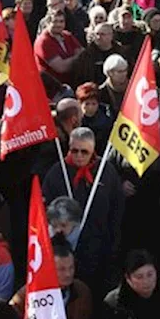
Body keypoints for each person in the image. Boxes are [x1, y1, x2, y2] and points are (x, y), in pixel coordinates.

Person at [41, 127, 124, 296]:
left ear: (93, 150)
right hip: (65, 249)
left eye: (84, 152)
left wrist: (113, 242)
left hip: (98, 247)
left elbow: (117, 208)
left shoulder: (106, 171)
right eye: (74, 151)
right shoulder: (57, 173)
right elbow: (45, 209)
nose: (79, 156)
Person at [12, 236, 93, 319]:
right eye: (61, 269)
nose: (68, 274)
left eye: (71, 268)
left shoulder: (82, 291)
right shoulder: (28, 296)